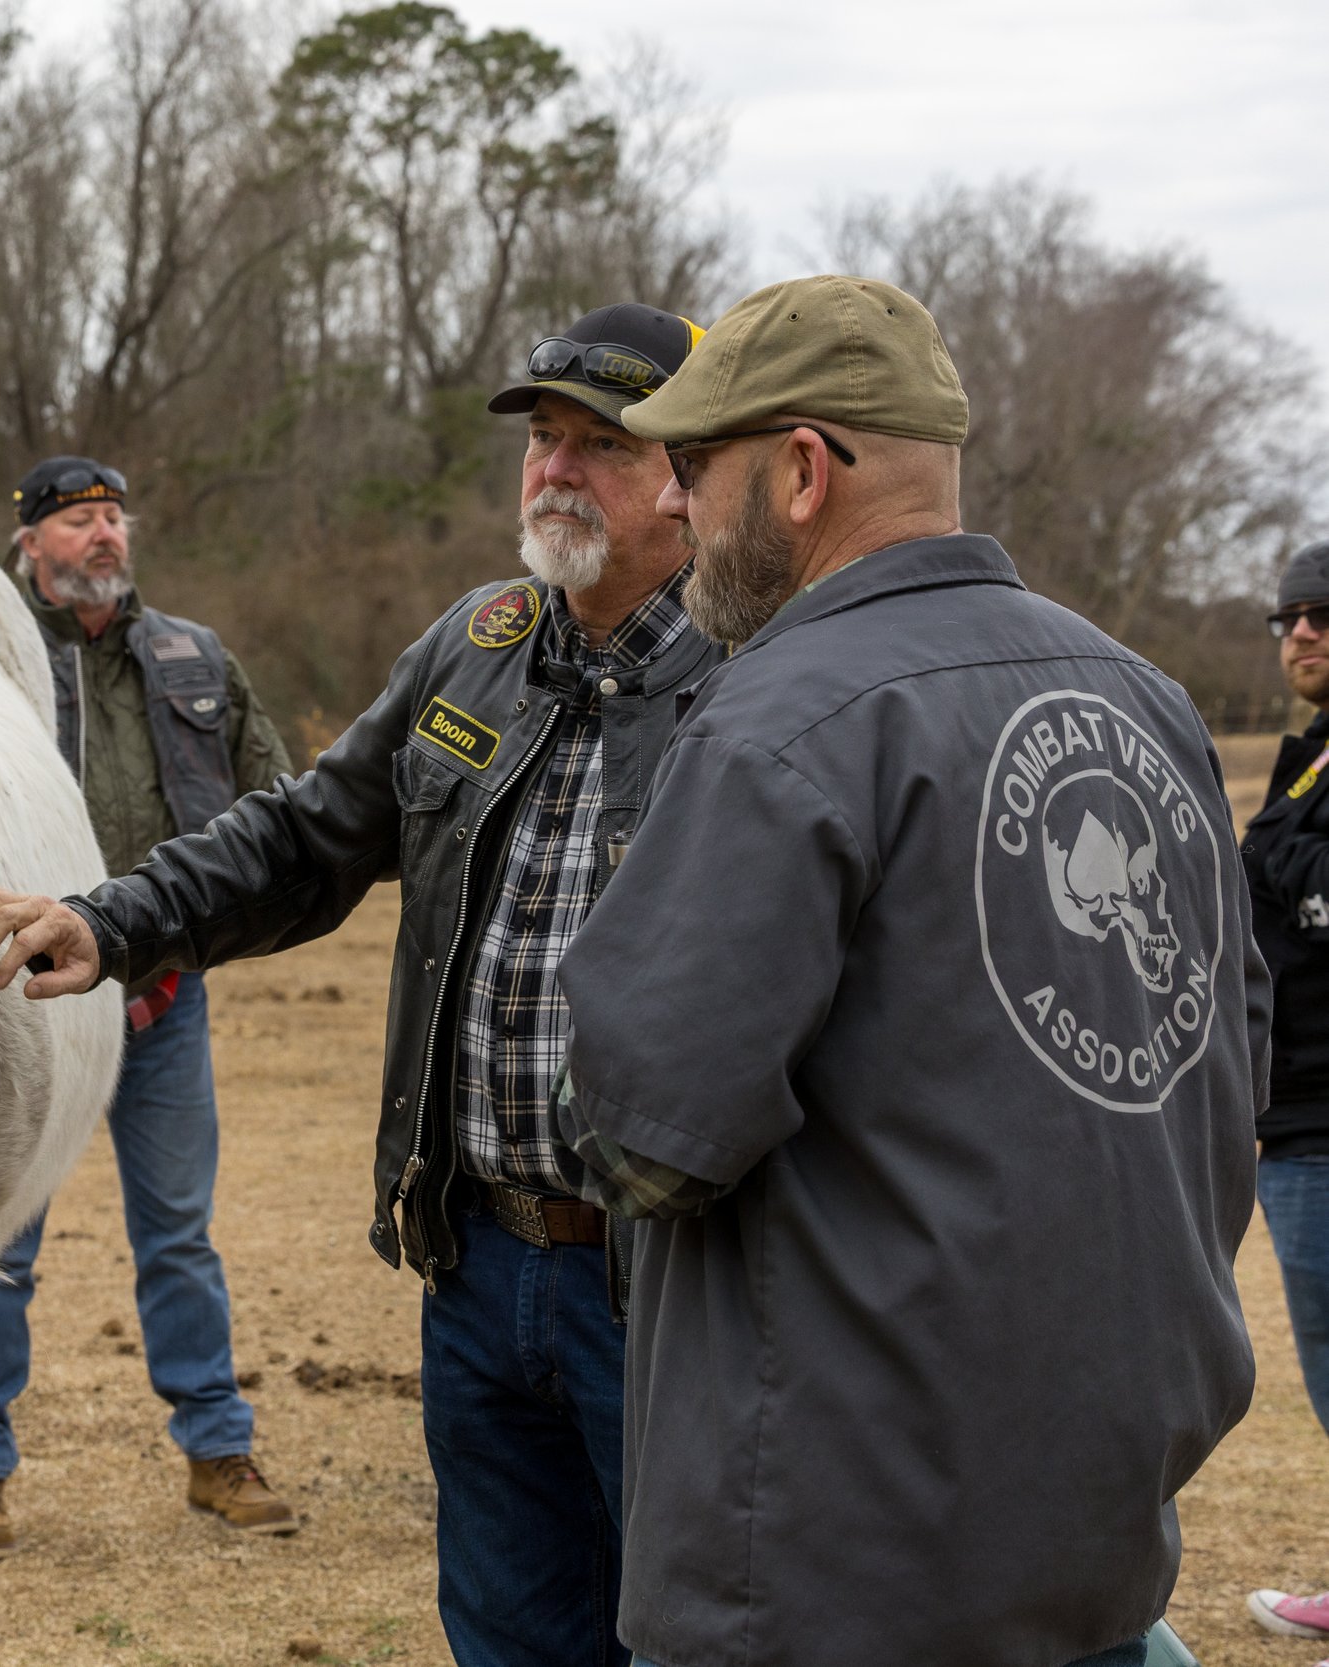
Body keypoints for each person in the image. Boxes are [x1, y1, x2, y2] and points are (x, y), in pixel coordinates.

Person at [0, 297, 709, 1667]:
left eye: (599, 441)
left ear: (690, 473)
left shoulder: (763, 675)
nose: (552, 469)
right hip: (477, 1261)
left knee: (688, 1625)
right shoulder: (476, 642)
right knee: (512, 1628)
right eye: (541, 438)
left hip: (668, 1283)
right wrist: (112, 919)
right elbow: (303, 834)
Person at [536, 275, 1265, 1667]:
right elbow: (1218, 1078)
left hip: (829, 1556)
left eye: (695, 464)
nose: (677, 505)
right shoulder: (1149, 700)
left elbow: (645, 1132)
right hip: (1092, 1533)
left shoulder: (782, 718)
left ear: (800, 471)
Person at [0, 456, 299, 1554]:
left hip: (160, 996)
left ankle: (216, 1448)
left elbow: (279, 804)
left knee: (179, 1233)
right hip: (23, 1000)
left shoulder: (192, 657)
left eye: (112, 517)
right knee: (0, 1240)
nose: (103, 535)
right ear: (30, 546)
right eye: (76, 520)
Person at [1241, 540, 1329, 1644]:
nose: (1300, 631)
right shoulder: (1307, 758)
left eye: (1322, 613)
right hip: (1291, 1121)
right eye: (1289, 616)